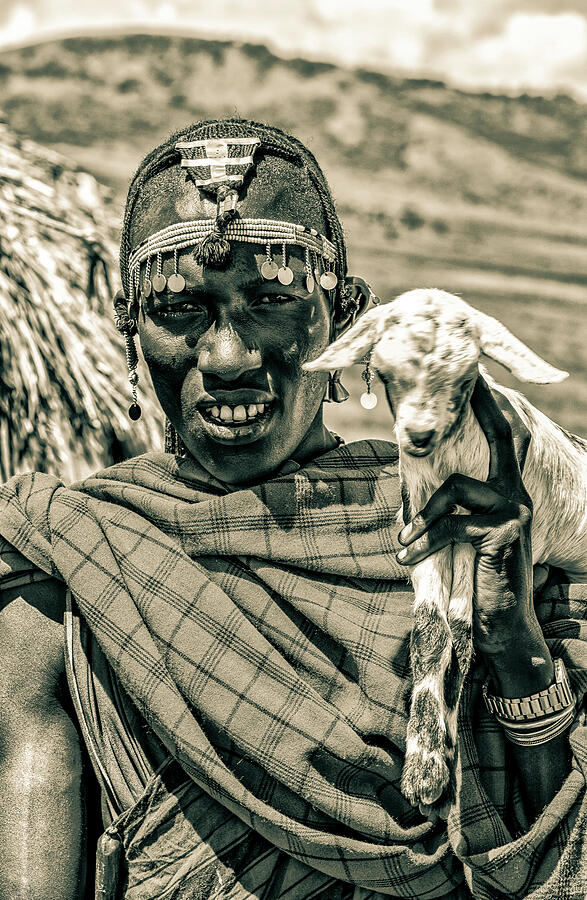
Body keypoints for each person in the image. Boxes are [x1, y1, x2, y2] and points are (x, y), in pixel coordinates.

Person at [0, 118, 584, 900]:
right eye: (179, 311)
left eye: (271, 299)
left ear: (344, 320)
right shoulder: (70, 555)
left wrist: (512, 642)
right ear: (128, 330)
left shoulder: (479, 531)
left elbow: (559, 868)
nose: (228, 357)